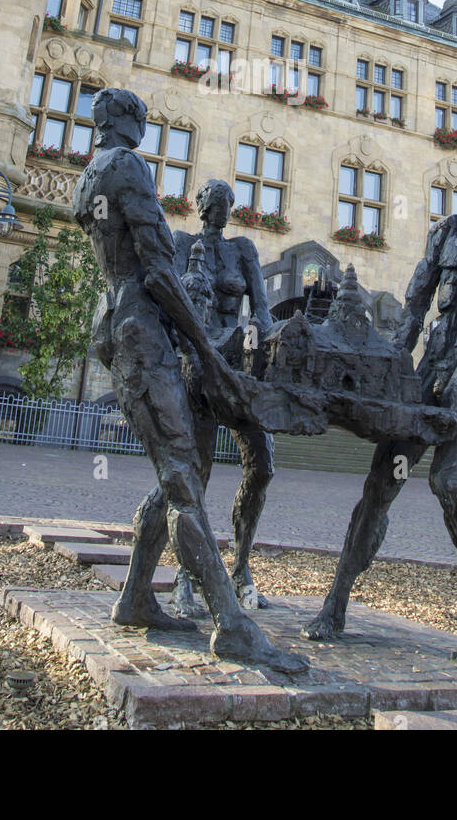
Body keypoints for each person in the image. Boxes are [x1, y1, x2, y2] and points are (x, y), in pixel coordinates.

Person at [73, 88, 306, 674]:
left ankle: (134, 597)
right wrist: (203, 344)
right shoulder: (126, 165)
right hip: (142, 331)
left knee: (180, 469)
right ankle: (232, 626)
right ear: (130, 123)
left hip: (117, 321)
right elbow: (157, 267)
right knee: (184, 478)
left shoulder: (88, 173)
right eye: (143, 121)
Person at [302, 155, 457, 668]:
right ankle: (336, 602)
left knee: (450, 483)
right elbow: (414, 306)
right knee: (379, 485)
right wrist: (388, 369)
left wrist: (456, 381)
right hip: (429, 373)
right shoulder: (447, 234)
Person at [172, 179, 274, 611]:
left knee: (263, 464)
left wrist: (259, 335)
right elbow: (172, 297)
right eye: (213, 202)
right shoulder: (182, 244)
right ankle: (186, 575)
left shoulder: (243, 250)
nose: (221, 209)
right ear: (199, 207)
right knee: (198, 469)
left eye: (227, 202)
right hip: (196, 359)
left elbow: (263, 307)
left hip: (235, 361)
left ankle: (241, 566)